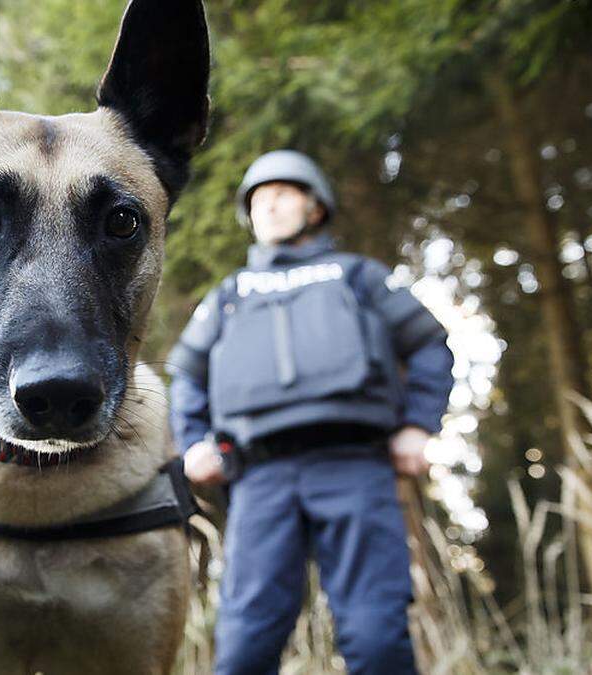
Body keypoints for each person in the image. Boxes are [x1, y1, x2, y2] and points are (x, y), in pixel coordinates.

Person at [167, 150, 454, 674]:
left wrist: (417, 425)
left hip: (355, 466)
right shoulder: (229, 295)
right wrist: (193, 443)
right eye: (258, 201)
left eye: (283, 195)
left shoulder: (358, 277)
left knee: (376, 634)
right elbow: (186, 375)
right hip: (260, 478)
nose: (269, 208)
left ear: (315, 207)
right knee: (245, 641)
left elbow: (430, 345)